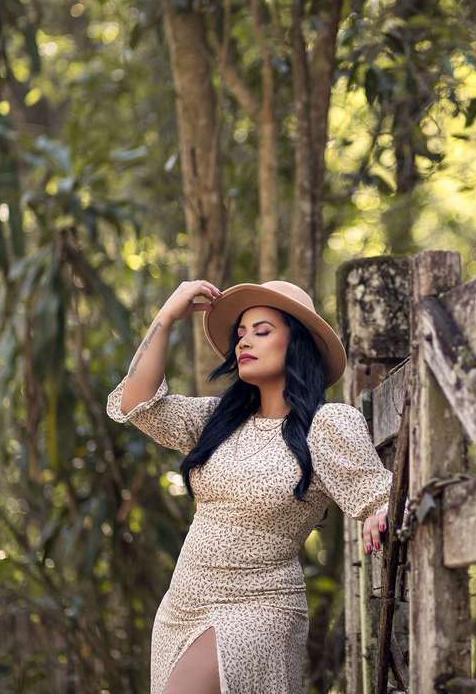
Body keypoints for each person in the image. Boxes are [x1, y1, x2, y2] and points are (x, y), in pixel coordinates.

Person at [106, 279, 393, 694]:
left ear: (297, 344)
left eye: (262, 331)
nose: (245, 342)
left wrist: (378, 511)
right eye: (241, 334)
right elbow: (136, 403)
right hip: (182, 606)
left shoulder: (327, 425)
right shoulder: (218, 421)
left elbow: (377, 492)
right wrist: (167, 316)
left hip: (259, 607)